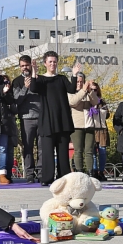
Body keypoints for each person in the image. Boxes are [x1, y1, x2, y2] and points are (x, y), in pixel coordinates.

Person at [28, 52, 82, 185]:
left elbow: (72, 89)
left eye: (55, 61)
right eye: (50, 61)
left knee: (63, 153)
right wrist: (34, 72)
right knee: (47, 152)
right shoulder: (40, 79)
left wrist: (74, 75)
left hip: (62, 120)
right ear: (45, 63)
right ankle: (47, 178)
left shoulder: (62, 78)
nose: (53, 64)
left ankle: (64, 178)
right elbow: (34, 88)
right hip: (47, 120)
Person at [12, 55, 41, 183]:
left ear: (31, 65)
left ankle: (41, 172)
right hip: (26, 118)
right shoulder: (17, 81)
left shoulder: (38, 79)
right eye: (22, 66)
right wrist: (25, 88)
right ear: (19, 67)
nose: (25, 68)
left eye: (27, 65)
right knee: (28, 146)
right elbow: (17, 99)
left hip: (41, 117)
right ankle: (29, 174)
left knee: (41, 147)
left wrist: (35, 80)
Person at [69, 72, 97, 175]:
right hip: (77, 125)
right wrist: (83, 91)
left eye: (81, 82)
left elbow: (96, 102)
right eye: (77, 82)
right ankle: (79, 172)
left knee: (89, 150)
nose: (79, 84)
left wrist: (90, 91)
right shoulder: (71, 92)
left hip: (89, 124)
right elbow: (73, 102)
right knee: (78, 150)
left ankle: (90, 172)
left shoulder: (87, 92)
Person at [84, 81, 109, 181]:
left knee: (102, 152)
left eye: (95, 90)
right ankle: (93, 171)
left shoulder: (102, 102)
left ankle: (101, 172)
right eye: (92, 90)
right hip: (91, 129)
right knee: (92, 152)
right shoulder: (86, 101)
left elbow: (107, 115)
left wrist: (99, 110)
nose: (93, 91)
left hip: (101, 129)